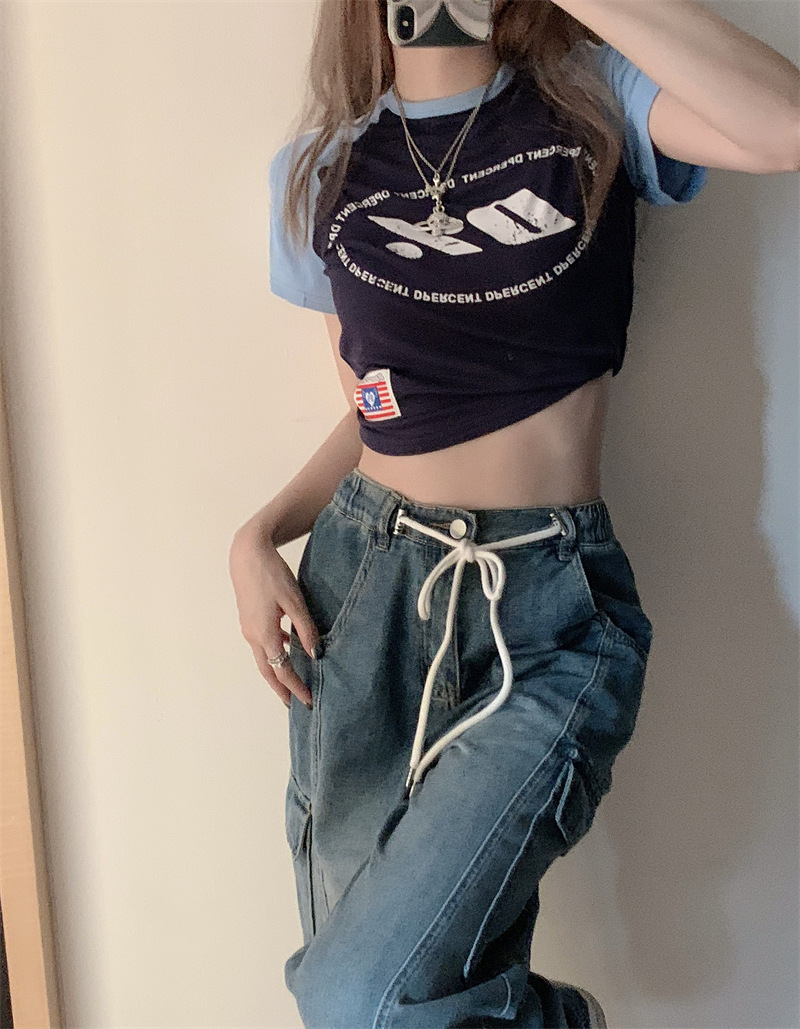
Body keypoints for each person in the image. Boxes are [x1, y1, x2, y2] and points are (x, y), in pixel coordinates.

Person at [229, 1, 799, 1025]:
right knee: (370, 998)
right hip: (362, 590)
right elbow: (381, 408)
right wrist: (260, 530)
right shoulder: (320, 170)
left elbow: (784, 125)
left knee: (354, 998)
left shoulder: (592, 105)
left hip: (544, 606)